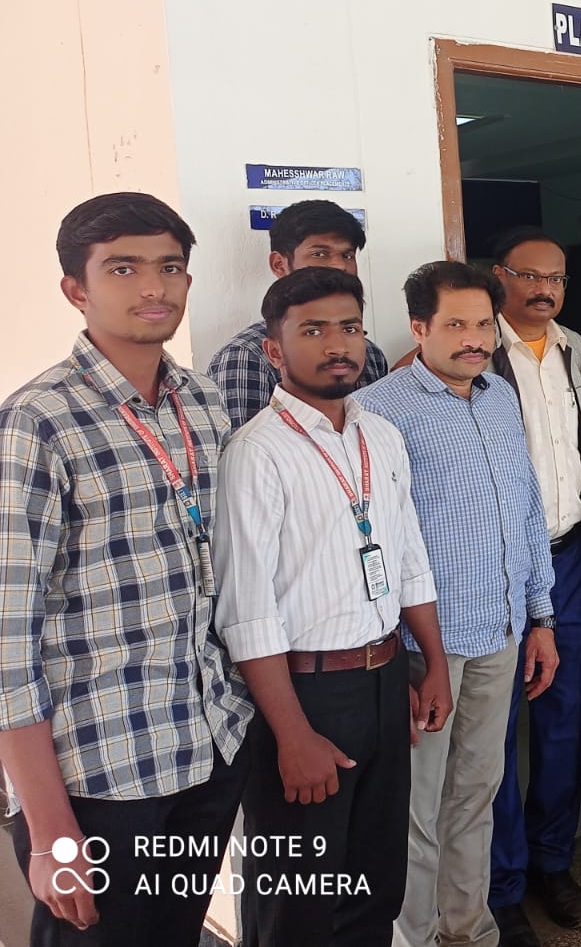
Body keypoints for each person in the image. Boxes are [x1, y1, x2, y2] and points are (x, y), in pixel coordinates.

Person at [0, 193, 252, 945]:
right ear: (75, 289)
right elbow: (7, 640)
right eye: (123, 268)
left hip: (206, 743)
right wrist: (50, 832)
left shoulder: (202, 402)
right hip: (98, 771)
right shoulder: (37, 422)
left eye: (170, 267)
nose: (154, 287)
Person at [212, 267, 452, 946]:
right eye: (313, 330)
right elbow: (246, 611)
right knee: (299, 902)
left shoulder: (380, 436)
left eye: (349, 327)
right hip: (303, 695)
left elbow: (408, 559)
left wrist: (431, 664)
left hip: (383, 679)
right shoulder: (256, 453)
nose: (337, 344)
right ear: (274, 350)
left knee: (375, 884)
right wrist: (292, 735)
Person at [356, 262, 558, 947]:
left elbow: (526, 510)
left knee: (476, 793)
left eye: (482, 325)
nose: (475, 339)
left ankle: (469, 932)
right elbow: (375, 541)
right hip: (424, 648)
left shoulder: (498, 396)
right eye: (456, 325)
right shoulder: (379, 410)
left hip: (500, 631)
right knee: (415, 809)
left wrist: (541, 617)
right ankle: (412, 938)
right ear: (419, 327)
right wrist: (397, 652)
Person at [484, 228, 581, 938]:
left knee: (562, 718)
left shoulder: (575, 349)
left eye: (554, 277)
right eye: (528, 275)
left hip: (566, 556)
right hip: (494, 566)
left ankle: (554, 863)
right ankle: (501, 885)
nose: (543, 289)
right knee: (494, 728)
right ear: (500, 276)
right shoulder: (475, 350)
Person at [208, 200, 389, 429]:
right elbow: (246, 443)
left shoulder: (370, 354)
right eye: (320, 254)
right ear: (279, 264)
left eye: (347, 255)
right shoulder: (246, 357)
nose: (339, 266)